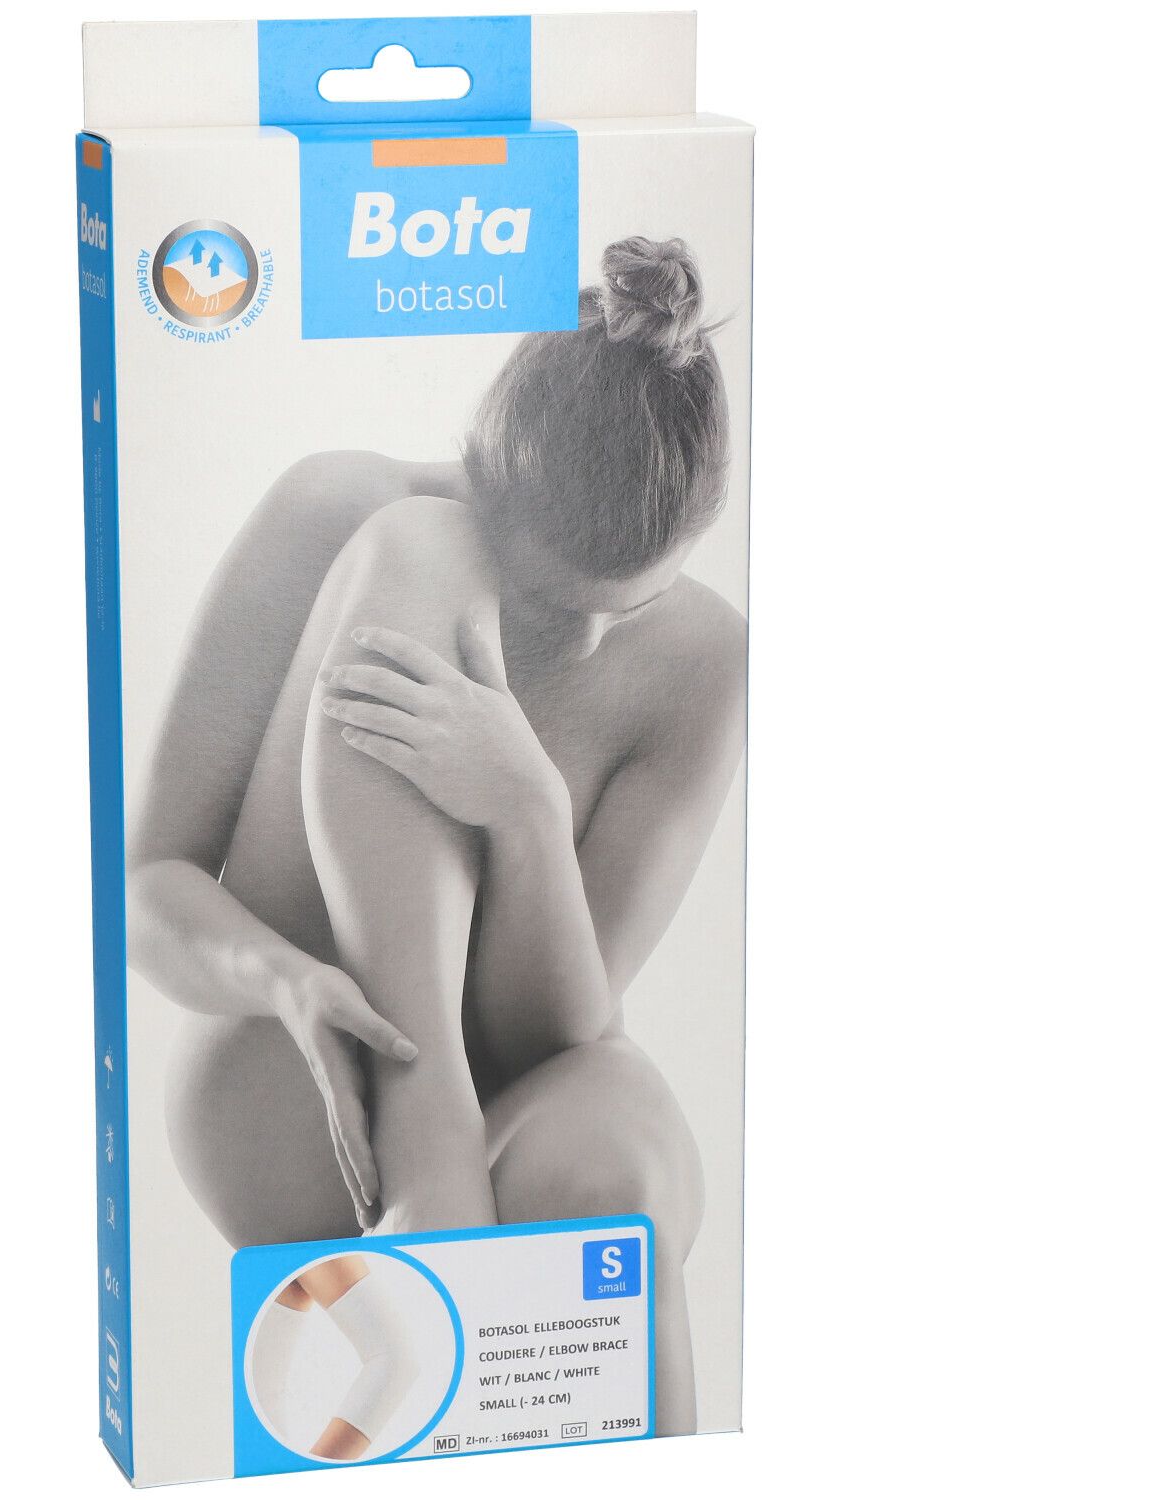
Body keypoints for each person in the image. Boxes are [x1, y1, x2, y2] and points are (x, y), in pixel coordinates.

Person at [126, 236, 747, 1435]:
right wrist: (288, 981)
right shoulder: (352, 512)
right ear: (482, 479)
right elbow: (143, 891)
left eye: (631, 606)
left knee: (621, 1163)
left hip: (517, 1091)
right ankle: (429, 1168)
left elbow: (562, 1031)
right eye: (548, 603)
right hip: (306, 1092)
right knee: (414, 549)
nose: (584, 644)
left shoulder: (709, 664)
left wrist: (525, 806)